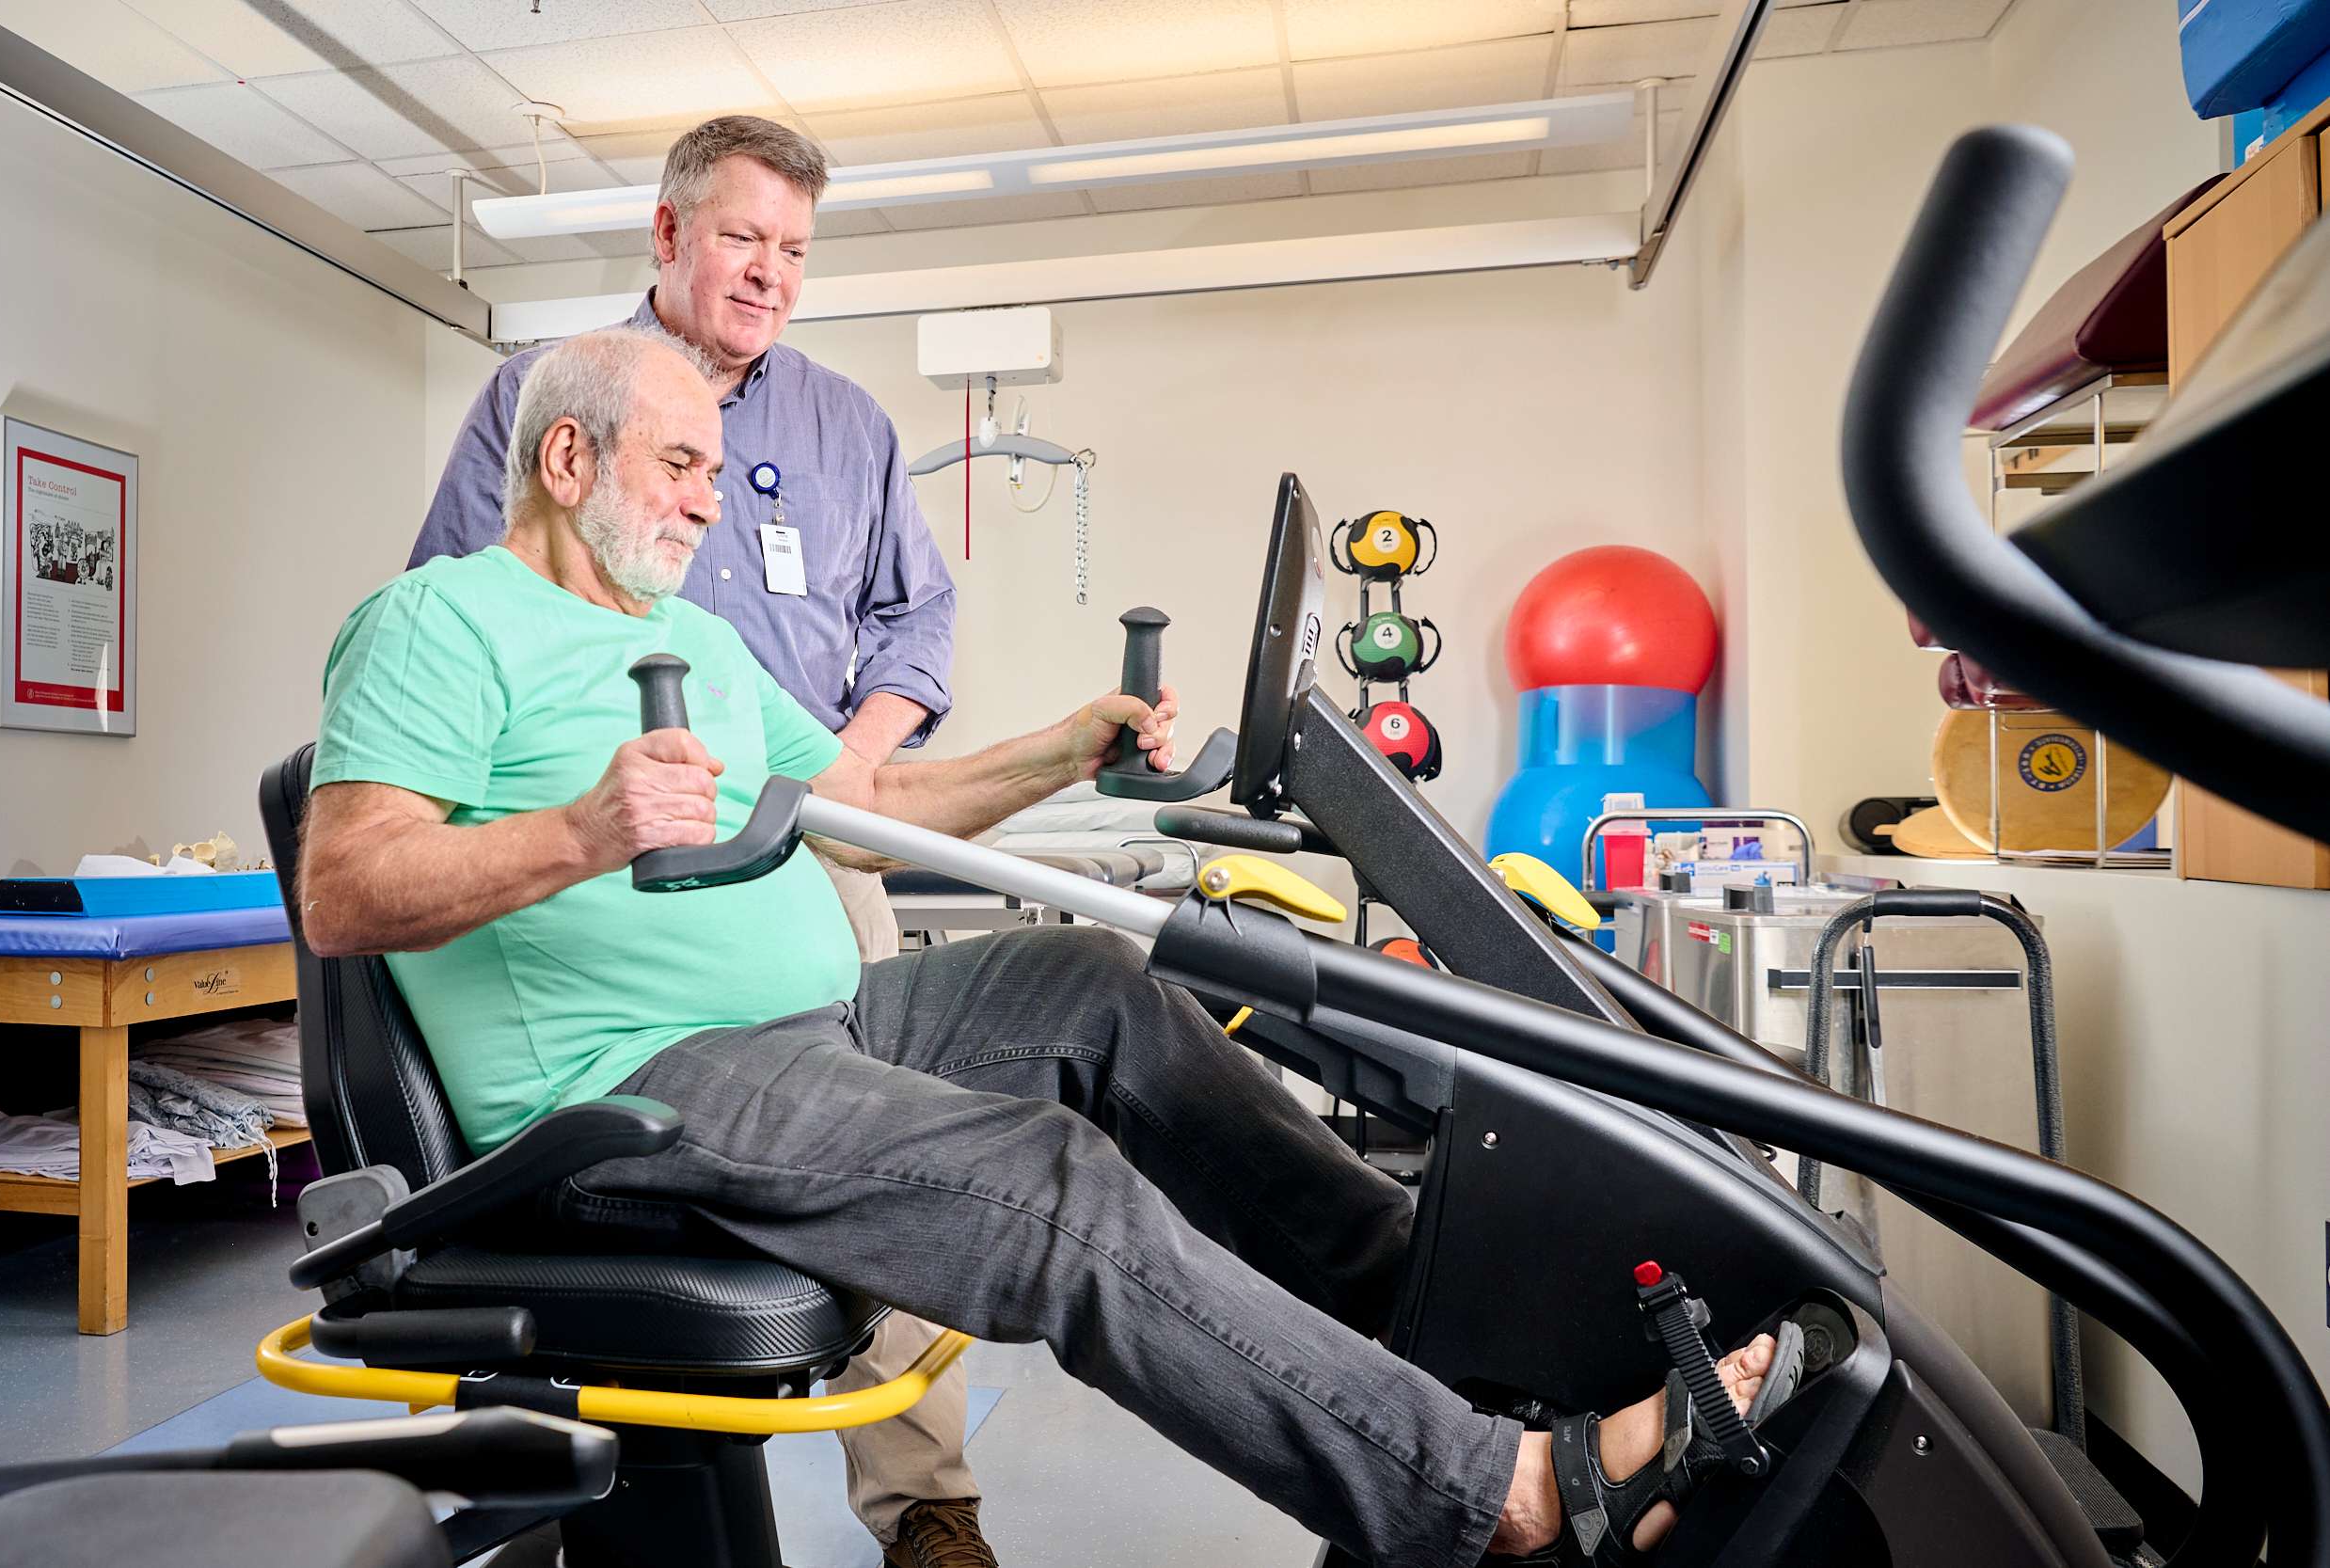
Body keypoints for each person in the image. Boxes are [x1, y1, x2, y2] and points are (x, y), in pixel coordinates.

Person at [306, 327, 1775, 1568]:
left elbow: (873, 808)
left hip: (818, 1028)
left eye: (710, 467)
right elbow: (346, 888)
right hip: (630, 1088)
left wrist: (1068, 748)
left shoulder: (701, 641)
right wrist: (583, 830)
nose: (705, 500)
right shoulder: (442, 624)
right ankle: (1502, 1496)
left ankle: (1442, 1321)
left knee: (1091, 986)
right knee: (1045, 1178)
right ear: (569, 462)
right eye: (677, 463)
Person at [410, 116, 977, 1565]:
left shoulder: (847, 424)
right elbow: (459, 604)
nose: (770, 273)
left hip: (813, 836)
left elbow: (918, 619)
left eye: (794, 250)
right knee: (619, 1172)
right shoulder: (546, 395)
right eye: (744, 238)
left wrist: (850, 767)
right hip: (605, 859)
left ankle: (926, 1510)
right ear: (668, 236)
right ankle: (572, 1489)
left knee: (896, 1149)